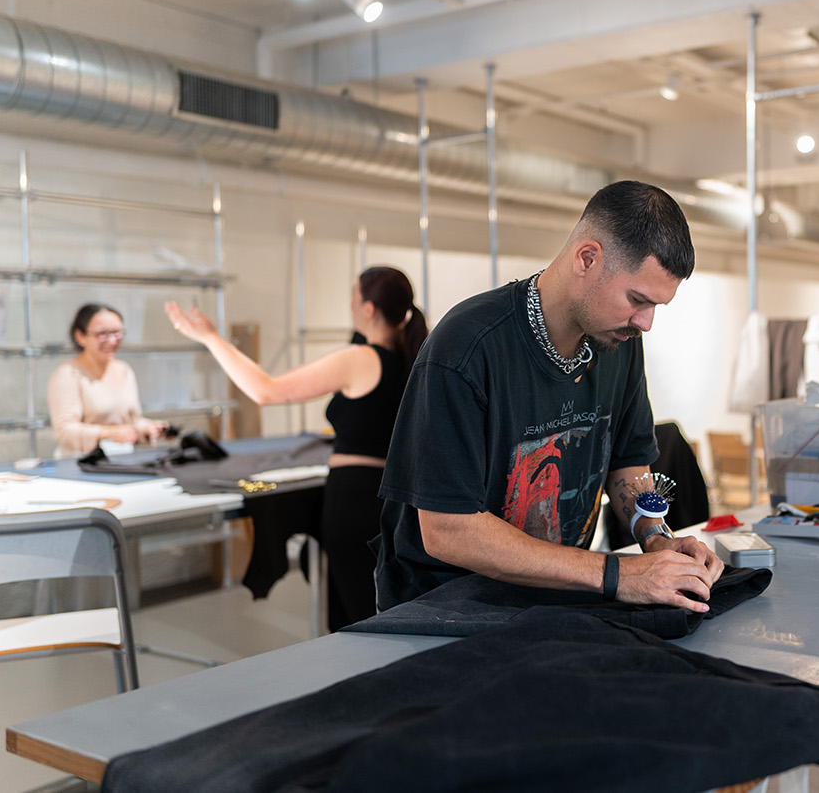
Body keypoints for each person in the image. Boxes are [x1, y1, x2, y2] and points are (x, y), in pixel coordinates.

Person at [375, 180, 723, 612]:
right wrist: (614, 573)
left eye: (656, 307)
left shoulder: (619, 344)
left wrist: (656, 539)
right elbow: (448, 530)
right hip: (445, 611)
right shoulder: (467, 347)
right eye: (637, 299)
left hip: (549, 600)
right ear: (587, 258)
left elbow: (628, 463)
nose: (646, 322)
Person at [166, 266, 428, 631]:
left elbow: (266, 390)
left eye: (353, 296)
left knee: (359, 617)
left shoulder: (361, 358)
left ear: (368, 308)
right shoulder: (414, 355)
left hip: (355, 500)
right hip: (396, 499)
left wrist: (211, 338)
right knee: (381, 606)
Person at [47, 303, 171, 458]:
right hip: (81, 464)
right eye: (102, 334)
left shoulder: (124, 369)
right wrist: (108, 433)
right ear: (80, 336)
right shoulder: (67, 375)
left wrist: (148, 427)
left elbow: (132, 420)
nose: (112, 341)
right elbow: (65, 431)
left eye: (117, 333)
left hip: (122, 461)